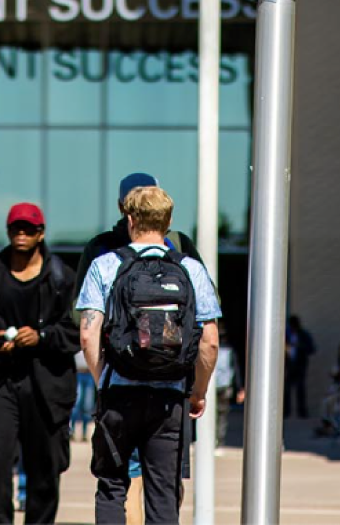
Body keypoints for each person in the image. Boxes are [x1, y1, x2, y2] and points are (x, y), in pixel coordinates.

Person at [76, 186, 222, 525]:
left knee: (112, 485)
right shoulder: (190, 269)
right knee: (162, 491)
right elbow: (209, 341)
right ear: (169, 221)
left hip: (119, 394)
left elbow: (87, 334)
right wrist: (198, 392)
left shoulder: (105, 265)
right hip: (169, 396)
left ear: (129, 220)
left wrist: (104, 382)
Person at [0, 203, 81, 525]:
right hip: (1, 382)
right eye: (16, 228)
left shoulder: (63, 279)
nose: (21, 234)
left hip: (48, 386)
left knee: (45, 470)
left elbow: (77, 332)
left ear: (41, 234)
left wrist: (41, 337)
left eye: (28, 229)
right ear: (8, 231)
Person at [76, 173, 204, 281]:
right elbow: (209, 303)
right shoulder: (179, 245)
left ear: (120, 206)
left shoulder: (100, 252)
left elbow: (81, 305)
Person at [284, 315, 315, 419]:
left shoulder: (303, 335)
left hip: (300, 365)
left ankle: (302, 412)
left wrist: (299, 345)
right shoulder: (285, 335)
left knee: (300, 389)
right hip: (287, 365)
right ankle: (285, 412)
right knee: (286, 389)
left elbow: (311, 349)